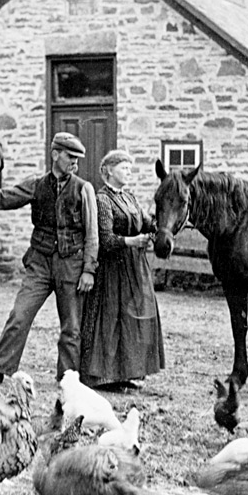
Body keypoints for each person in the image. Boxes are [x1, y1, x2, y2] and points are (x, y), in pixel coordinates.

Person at [0, 132, 99, 384]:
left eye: (77, 158)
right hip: (39, 263)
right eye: (70, 157)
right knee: (19, 315)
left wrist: (88, 269)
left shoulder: (84, 189)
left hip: (71, 265)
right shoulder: (35, 185)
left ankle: (68, 379)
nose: (75, 163)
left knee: (71, 327)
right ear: (55, 155)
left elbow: (92, 233)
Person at [80, 149, 165, 391]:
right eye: (123, 167)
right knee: (111, 320)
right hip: (112, 270)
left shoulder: (130, 198)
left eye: (130, 167)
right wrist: (132, 241)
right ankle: (105, 377)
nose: (129, 171)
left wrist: (161, 227)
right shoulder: (102, 199)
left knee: (132, 320)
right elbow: (105, 239)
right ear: (108, 170)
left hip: (135, 269)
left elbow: (148, 223)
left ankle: (127, 373)